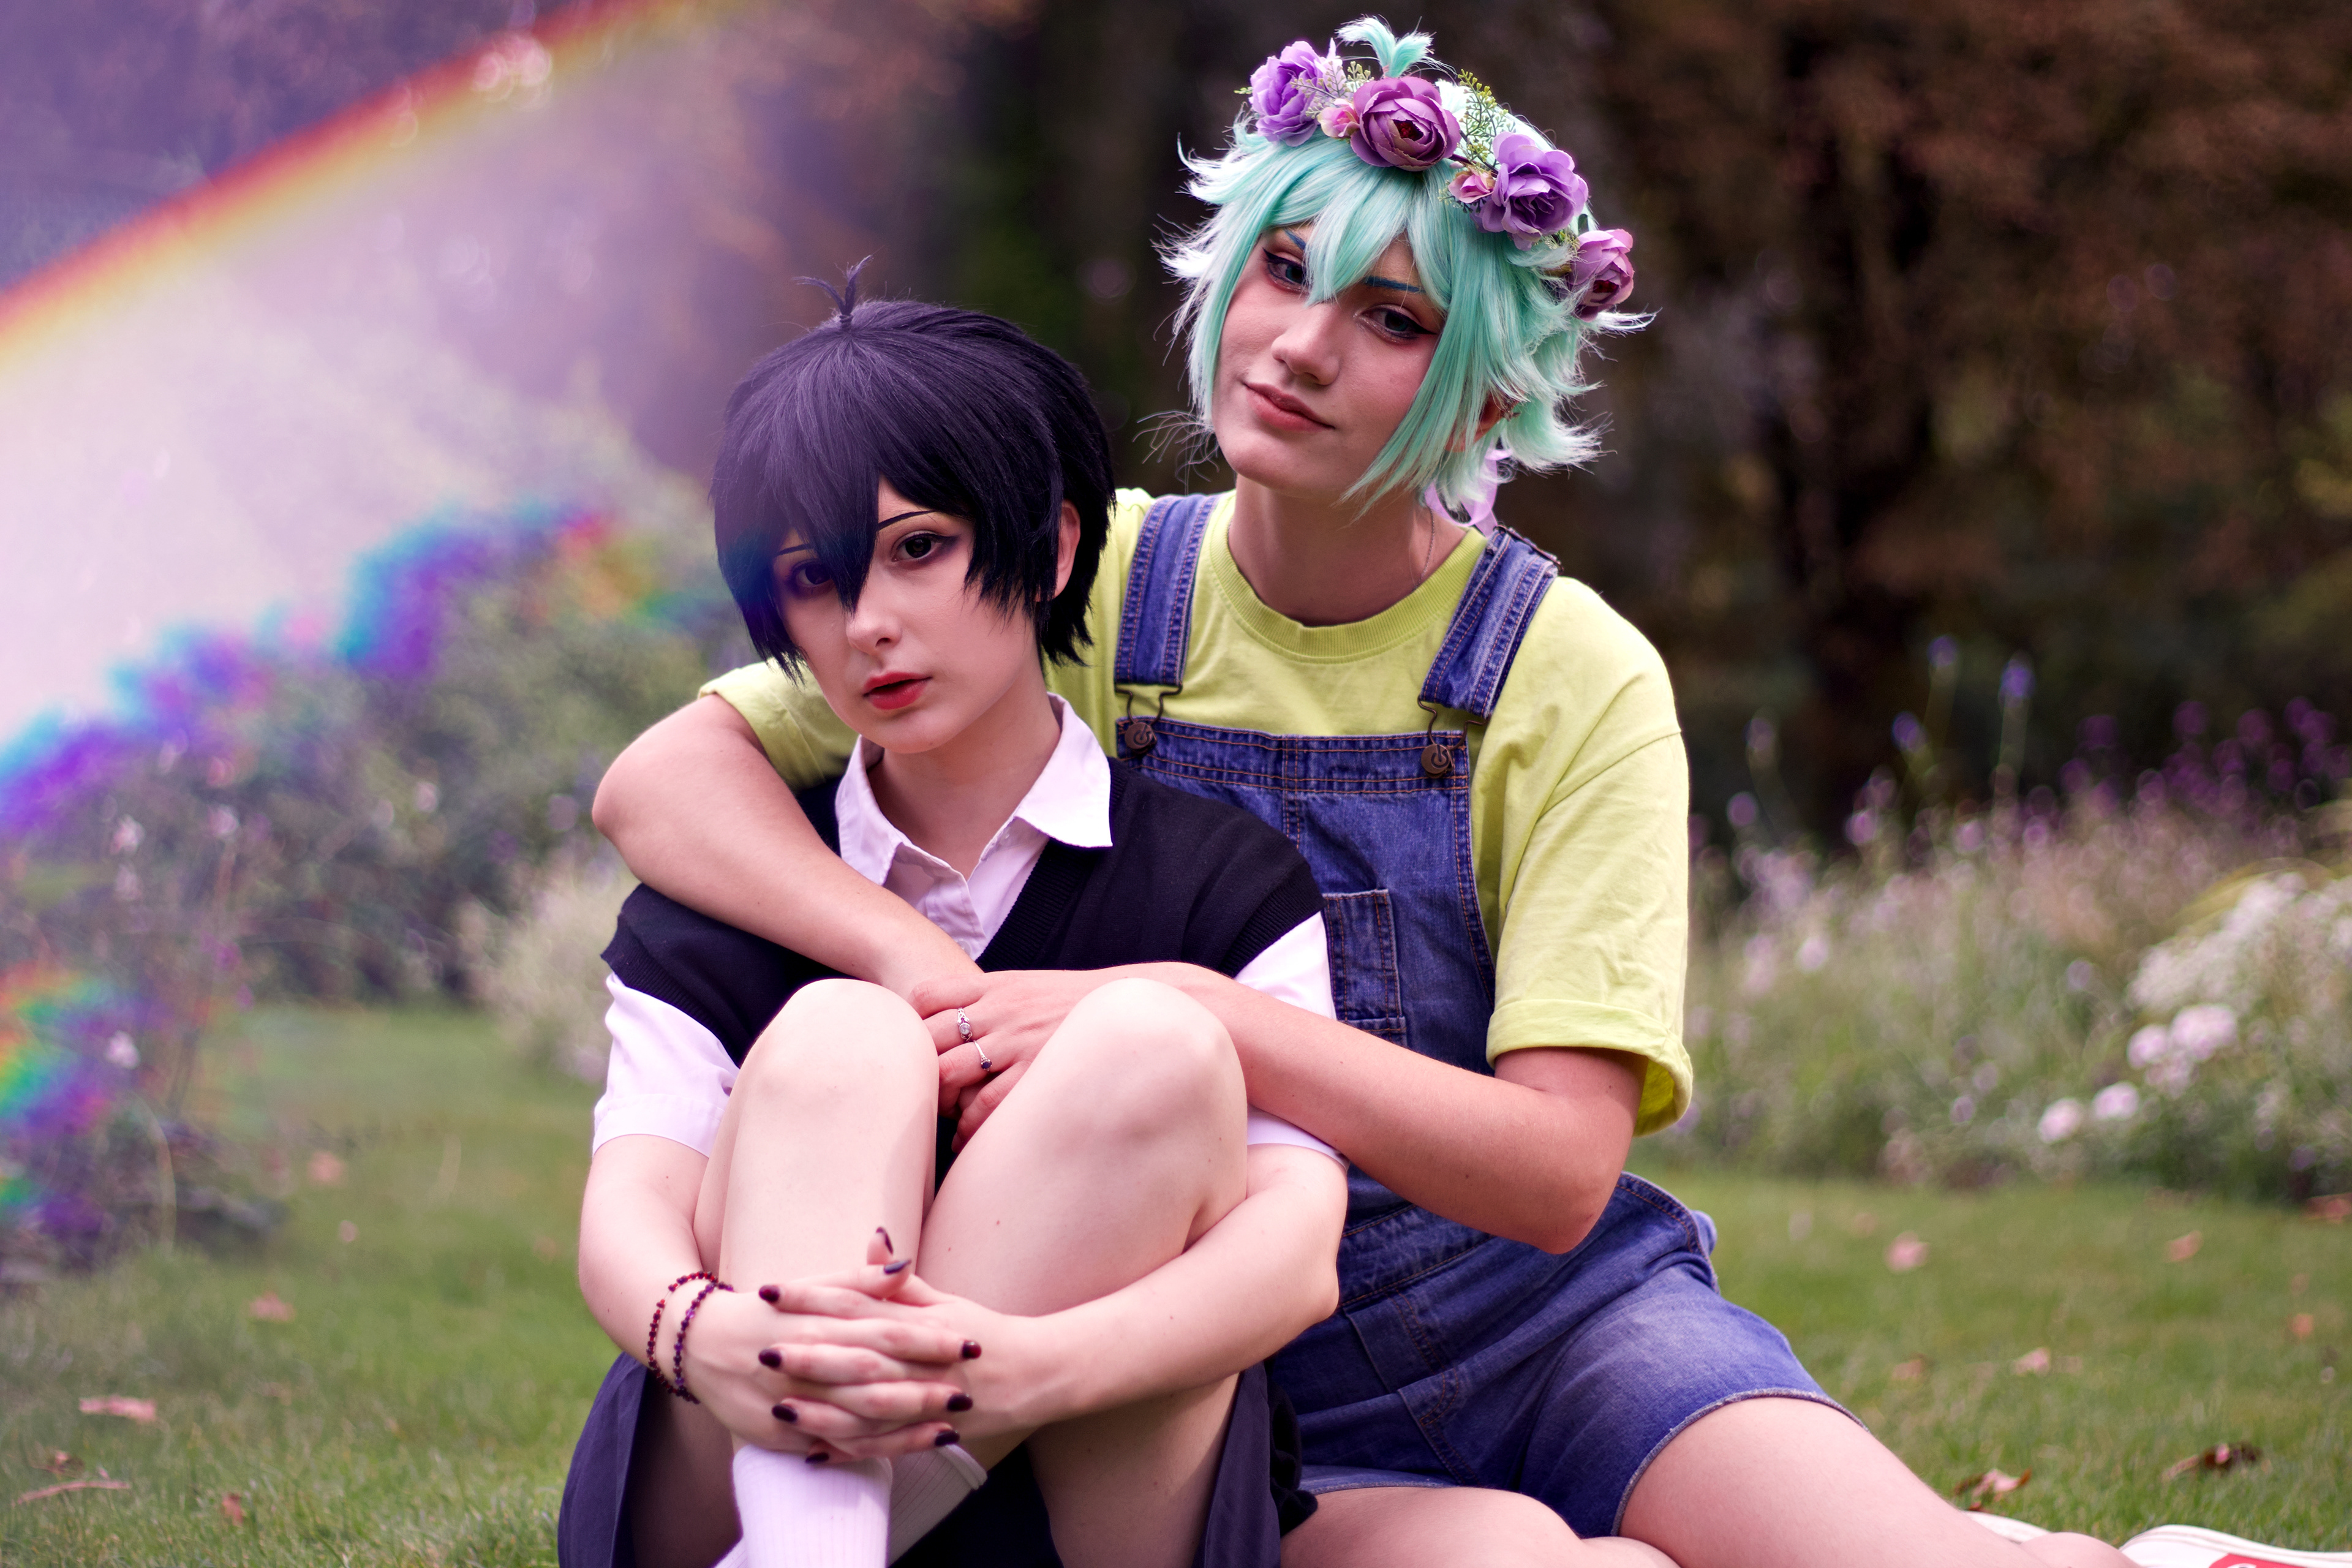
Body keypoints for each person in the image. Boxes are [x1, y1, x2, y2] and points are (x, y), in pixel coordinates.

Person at [589, 22, 2324, 1568]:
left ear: (1490, 386)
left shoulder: (1575, 678)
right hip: (1224, 1342)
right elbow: (665, 786)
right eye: (1282, 271)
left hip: (1554, 1320)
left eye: (1392, 320)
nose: (1299, 346)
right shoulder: (1081, 575)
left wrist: (1192, 1004)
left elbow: (1559, 1172)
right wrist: (922, 973)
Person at [560, 288, 1359, 1568]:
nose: (867, 621)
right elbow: (628, 1208)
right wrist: (700, 1331)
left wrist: (1029, 1368)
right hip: (730, 1459)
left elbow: (1294, 1256)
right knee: (847, 1033)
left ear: (1051, 548)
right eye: (811, 578)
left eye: (919, 547)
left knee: (1153, 1041)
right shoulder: (733, 890)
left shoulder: (1225, 885)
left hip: (1100, 1486)